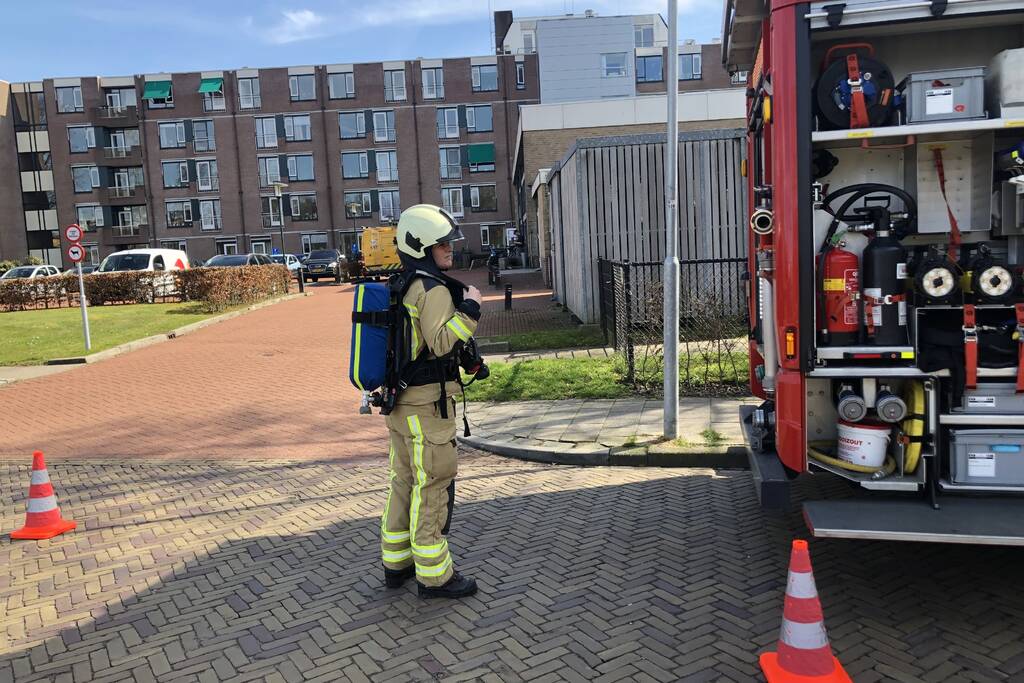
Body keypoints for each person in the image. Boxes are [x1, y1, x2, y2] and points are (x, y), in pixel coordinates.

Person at [380, 204, 483, 599]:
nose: (449, 250)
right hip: (428, 407)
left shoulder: (403, 283)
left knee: (403, 482)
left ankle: (397, 563)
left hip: (400, 404)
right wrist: (471, 308)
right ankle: (435, 575)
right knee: (434, 484)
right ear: (422, 246)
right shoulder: (433, 288)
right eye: (442, 244)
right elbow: (440, 343)